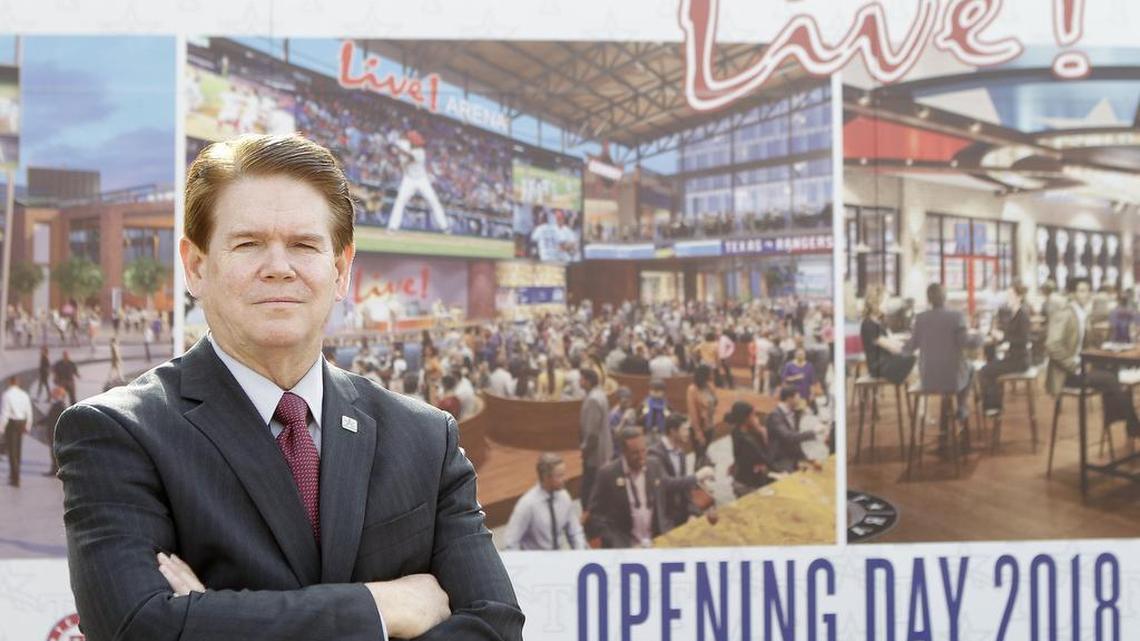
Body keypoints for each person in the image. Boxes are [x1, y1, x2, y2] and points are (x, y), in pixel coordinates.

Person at [54, 134, 522, 641]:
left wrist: (215, 621)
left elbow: (494, 629)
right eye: (248, 243)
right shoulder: (117, 434)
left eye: (303, 245)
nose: (279, 266)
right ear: (196, 266)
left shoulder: (426, 439)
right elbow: (139, 628)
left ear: (340, 270)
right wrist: (379, 608)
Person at [585, 426, 712, 548]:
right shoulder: (607, 475)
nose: (642, 458)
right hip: (627, 548)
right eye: (635, 453)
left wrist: (692, 512)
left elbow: (672, 485)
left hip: (658, 541)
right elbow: (596, 517)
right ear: (623, 452)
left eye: (643, 451)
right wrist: (621, 544)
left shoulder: (654, 465)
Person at [1046, 276, 1140, 437]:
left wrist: (1103, 345)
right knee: (1109, 379)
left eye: (1088, 291)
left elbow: (1086, 344)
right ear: (1072, 294)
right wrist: (1073, 365)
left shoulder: (1082, 314)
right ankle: (1133, 425)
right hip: (1067, 375)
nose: (1086, 294)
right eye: (1082, 291)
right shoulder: (1065, 313)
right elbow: (1052, 345)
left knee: (1113, 371)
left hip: (1082, 367)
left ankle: (1120, 420)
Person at [901, 283, 983, 426]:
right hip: (952, 379)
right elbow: (966, 342)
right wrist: (980, 336)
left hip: (928, 379)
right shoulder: (956, 316)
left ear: (929, 300)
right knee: (970, 368)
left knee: (960, 368)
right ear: (945, 297)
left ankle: (950, 417)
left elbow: (910, 347)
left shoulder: (920, 319)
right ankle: (962, 406)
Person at [500, 453, 586, 551]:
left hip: (559, 559)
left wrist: (580, 554)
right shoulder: (527, 504)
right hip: (534, 562)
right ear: (546, 478)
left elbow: (575, 532)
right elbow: (510, 542)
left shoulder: (564, 497)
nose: (564, 479)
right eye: (559, 476)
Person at [979, 282, 1032, 416]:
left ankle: (993, 407)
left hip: (1020, 360)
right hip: (1014, 357)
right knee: (990, 365)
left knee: (985, 371)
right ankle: (993, 405)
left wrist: (1004, 337)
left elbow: (1024, 340)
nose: (1007, 298)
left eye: (1010, 295)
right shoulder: (1014, 313)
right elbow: (1012, 336)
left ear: (1019, 297)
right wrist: (1001, 335)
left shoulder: (1023, 314)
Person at [386, 130, 451, 233]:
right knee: (400, 201)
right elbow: (391, 145)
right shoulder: (404, 144)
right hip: (408, 179)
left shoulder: (420, 152)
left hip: (421, 179)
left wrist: (398, 150)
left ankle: (445, 227)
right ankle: (392, 227)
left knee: (433, 200)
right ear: (410, 141)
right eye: (416, 142)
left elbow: (410, 157)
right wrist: (394, 146)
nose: (419, 144)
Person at [647, 414, 703, 528]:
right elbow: (666, 484)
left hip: (681, 513)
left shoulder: (681, 453)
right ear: (673, 431)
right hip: (664, 518)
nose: (688, 433)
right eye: (685, 429)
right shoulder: (654, 454)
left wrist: (692, 512)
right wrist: (697, 477)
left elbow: (685, 488)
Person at [859, 285, 915, 385]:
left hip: (886, 361)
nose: (888, 304)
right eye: (886, 301)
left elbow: (892, 340)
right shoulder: (869, 324)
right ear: (876, 303)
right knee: (912, 357)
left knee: (912, 356)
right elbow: (893, 348)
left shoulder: (879, 321)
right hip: (878, 366)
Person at [578, 367, 612, 510]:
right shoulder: (600, 394)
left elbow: (592, 433)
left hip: (595, 454)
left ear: (588, 381)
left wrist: (585, 451)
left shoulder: (592, 399)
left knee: (589, 491)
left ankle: (589, 517)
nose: (579, 381)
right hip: (603, 450)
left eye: (582, 379)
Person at [765, 387, 817, 472]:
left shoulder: (795, 412)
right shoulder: (775, 416)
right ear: (789, 399)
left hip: (794, 455)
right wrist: (813, 432)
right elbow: (789, 437)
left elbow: (796, 437)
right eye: (798, 397)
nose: (800, 400)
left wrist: (805, 412)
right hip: (781, 458)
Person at [727, 401, 771, 495]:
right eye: (753, 415)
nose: (756, 418)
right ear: (746, 418)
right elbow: (766, 458)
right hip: (749, 486)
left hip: (740, 478)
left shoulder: (736, 430)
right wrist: (763, 434)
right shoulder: (748, 442)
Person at [1, 376, 32, 487]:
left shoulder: (6, 395)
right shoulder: (24, 395)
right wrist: (28, 425)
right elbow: (29, 411)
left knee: (12, 451)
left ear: (10, 382)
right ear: (18, 383)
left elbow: (5, 413)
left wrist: (1, 428)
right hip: (21, 422)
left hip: (12, 424)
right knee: (18, 450)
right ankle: (16, 473)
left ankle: (15, 477)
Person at [686, 364, 718, 468]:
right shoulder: (692, 390)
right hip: (699, 427)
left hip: (710, 425)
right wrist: (698, 433)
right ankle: (697, 477)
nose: (713, 374)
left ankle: (705, 463)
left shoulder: (710, 386)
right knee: (699, 455)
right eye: (710, 372)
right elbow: (693, 413)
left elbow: (715, 401)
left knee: (704, 450)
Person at [39, 385, 68, 477]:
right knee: (54, 451)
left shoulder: (60, 405)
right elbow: (49, 417)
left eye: (53, 393)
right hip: (53, 431)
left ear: (58, 394)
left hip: (55, 432)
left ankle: (55, 469)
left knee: (55, 452)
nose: (51, 395)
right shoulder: (57, 404)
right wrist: (40, 422)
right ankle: (55, 469)